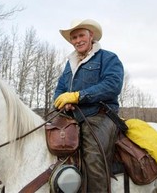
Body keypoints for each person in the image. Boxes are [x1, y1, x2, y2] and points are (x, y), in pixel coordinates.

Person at [53, 19, 124, 193]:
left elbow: (113, 85)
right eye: (74, 37)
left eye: (81, 35)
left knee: (92, 155)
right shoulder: (69, 64)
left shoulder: (108, 58)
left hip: (100, 116)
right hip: (71, 117)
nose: (78, 40)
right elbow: (59, 91)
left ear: (91, 35)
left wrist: (79, 96)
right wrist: (62, 102)